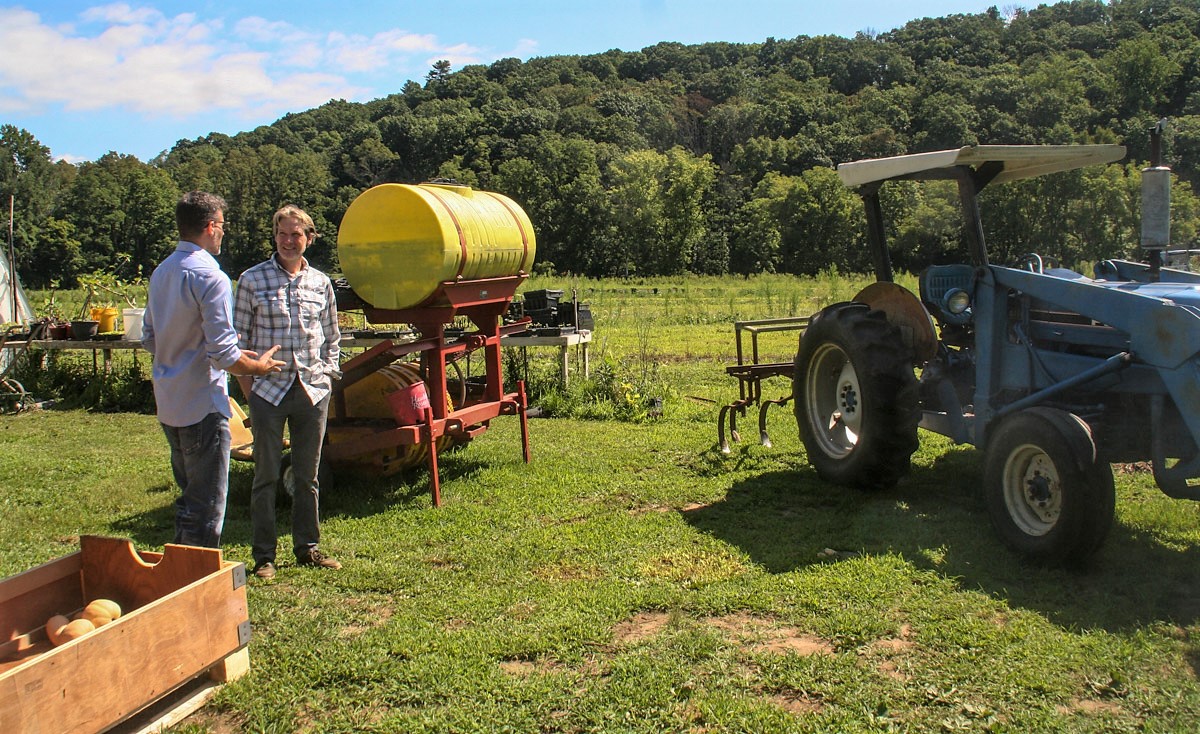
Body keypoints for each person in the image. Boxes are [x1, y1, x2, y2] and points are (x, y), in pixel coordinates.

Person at [143, 191, 285, 549]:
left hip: (169, 402)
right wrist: (259, 366)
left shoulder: (162, 271)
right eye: (221, 226)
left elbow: (149, 337)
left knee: (189, 499)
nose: (223, 233)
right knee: (206, 508)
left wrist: (193, 351)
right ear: (210, 227)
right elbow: (224, 355)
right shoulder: (211, 277)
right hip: (203, 406)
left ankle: (180, 575)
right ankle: (198, 585)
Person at [234, 204, 342, 580]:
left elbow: (332, 336)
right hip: (268, 391)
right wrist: (250, 391)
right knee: (265, 477)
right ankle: (264, 556)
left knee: (307, 476)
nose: (288, 241)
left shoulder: (321, 283)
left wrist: (327, 375)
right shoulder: (252, 280)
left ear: (309, 238)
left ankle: (307, 548)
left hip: (312, 391)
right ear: (275, 237)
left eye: (296, 234)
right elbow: (239, 342)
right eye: (282, 234)